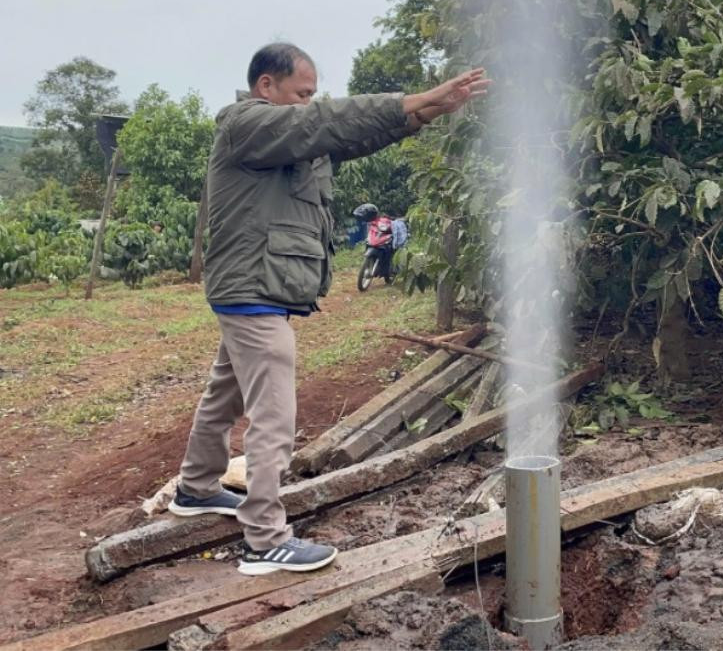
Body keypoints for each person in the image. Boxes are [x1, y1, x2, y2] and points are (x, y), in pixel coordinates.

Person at [168, 43, 488, 576]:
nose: (310, 103)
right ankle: (264, 539)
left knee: (224, 392)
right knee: (273, 413)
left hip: (257, 288)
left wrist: (428, 111)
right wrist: (413, 96)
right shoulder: (246, 125)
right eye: (302, 93)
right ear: (265, 86)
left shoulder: (294, 138)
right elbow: (327, 120)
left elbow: (348, 134)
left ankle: (197, 488)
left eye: (312, 95)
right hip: (251, 289)